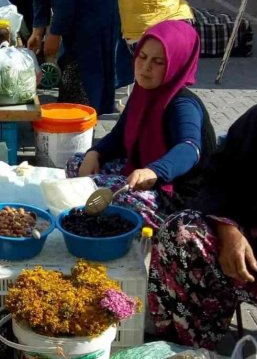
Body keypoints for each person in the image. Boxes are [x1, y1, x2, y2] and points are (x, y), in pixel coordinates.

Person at [148, 54, 257, 359]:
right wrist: (227, 228)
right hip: (240, 238)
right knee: (181, 231)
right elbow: (217, 176)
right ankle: (191, 350)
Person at [66, 20, 216, 229]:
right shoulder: (142, 92)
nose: (145, 67)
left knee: (119, 197)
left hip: (177, 192)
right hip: (139, 170)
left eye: (158, 62)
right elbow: (119, 136)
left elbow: (189, 148)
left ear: (177, 65)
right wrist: (95, 153)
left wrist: (154, 171)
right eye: (142, 57)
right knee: (77, 164)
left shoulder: (183, 104)